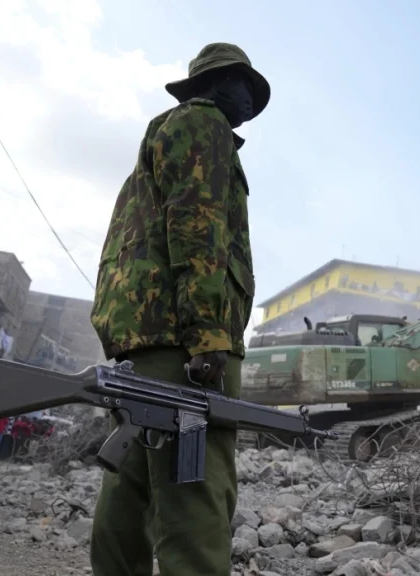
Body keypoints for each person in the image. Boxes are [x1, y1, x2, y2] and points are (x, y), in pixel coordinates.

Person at [88, 42, 265, 576]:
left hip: (146, 339)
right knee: (197, 496)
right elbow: (198, 230)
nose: (247, 98)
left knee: (131, 488)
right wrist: (209, 337)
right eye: (241, 83)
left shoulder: (161, 138)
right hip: (185, 339)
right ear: (216, 85)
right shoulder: (204, 126)